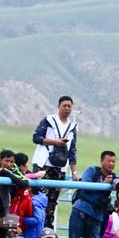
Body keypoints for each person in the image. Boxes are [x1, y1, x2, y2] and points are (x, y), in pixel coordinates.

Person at [31, 95, 79, 228]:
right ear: (59, 107)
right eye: (65, 106)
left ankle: (48, 229)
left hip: (60, 167)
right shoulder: (49, 120)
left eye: (69, 106)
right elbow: (36, 137)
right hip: (43, 163)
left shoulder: (72, 127)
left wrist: (74, 171)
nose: (67, 108)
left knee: (53, 200)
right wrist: (55, 142)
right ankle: (37, 227)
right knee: (40, 197)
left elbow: (72, 150)